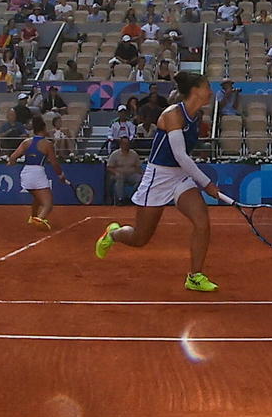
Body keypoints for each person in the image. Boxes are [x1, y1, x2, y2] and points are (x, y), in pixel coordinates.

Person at [94, 71, 221, 291]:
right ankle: (113, 234)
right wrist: (206, 182)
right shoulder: (173, 114)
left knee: (202, 222)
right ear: (195, 90)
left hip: (180, 177)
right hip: (158, 176)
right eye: (207, 86)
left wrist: (198, 181)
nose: (210, 91)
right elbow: (180, 155)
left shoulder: (197, 116)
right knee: (140, 238)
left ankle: (195, 276)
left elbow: (182, 160)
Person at [7, 114, 60, 233]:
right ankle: (40, 219)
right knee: (48, 204)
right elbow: (54, 163)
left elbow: (13, 157)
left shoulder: (26, 142)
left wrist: (12, 163)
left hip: (25, 173)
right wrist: (61, 175)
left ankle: (33, 217)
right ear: (44, 128)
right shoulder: (48, 144)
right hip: (38, 173)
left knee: (37, 196)